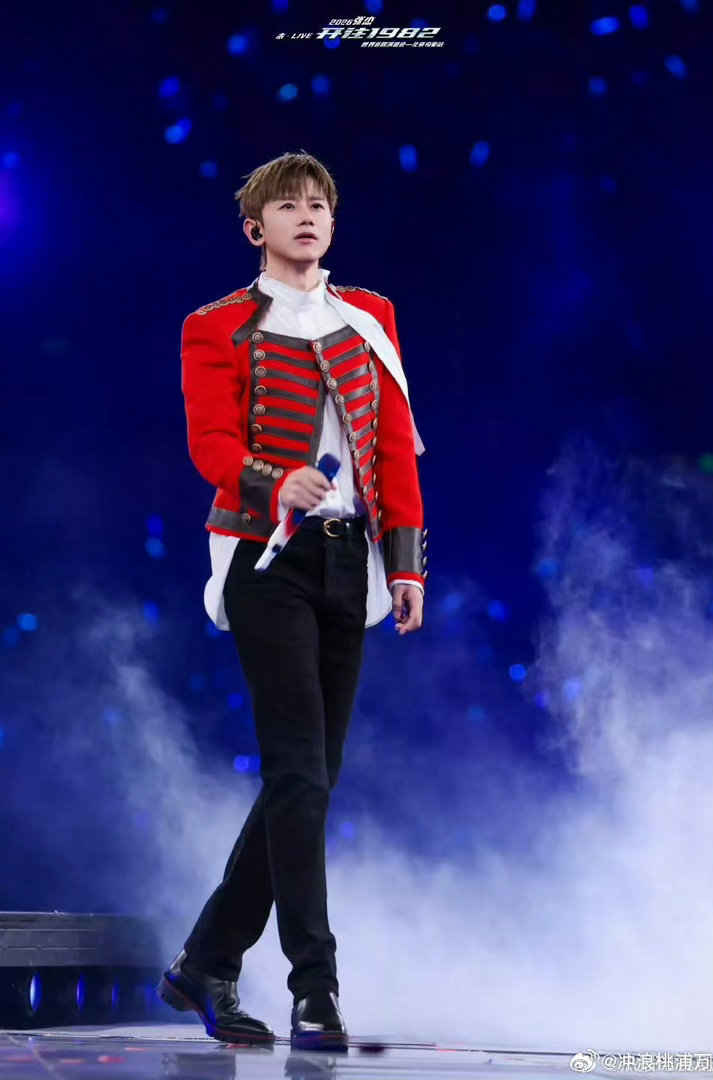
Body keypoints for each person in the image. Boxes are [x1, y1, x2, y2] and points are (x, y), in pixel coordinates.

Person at [157, 151, 427, 1052]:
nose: (307, 215)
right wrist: (276, 482)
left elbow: (392, 446)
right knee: (300, 776)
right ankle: (316, 988)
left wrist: (407, 564)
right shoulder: (217, 326)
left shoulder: (370, 317)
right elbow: (209, 442)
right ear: (255, 228)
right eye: (288, 205)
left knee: (308, 781)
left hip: (350, 563)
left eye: (319, 204)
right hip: (264, 558)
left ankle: (205, 961)